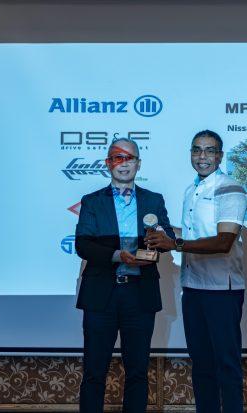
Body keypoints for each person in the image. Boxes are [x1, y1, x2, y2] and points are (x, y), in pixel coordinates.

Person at [145, 130, 247, 413]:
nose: (202, 156)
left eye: (209, 150)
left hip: (222, 291)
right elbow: (190, 235)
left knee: (226, 365)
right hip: (192, 288)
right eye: (197, 150)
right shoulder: (191, 190)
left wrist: (175, 244)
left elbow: (224, 241)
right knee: (201, 365)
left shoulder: (230, 189)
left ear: (220, 156)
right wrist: (162, 232)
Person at [75, 138, 175, 413]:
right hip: (101, 297)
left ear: (138, 164)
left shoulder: (154, 200)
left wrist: (160, 240)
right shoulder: (92, 201)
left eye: (129, 158)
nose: (123, 163)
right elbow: (83, 245)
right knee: (94, 372)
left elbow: (165, 239)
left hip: (139, 295)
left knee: (138, 372)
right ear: (108, 164)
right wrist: (118, 255)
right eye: (117, 157)